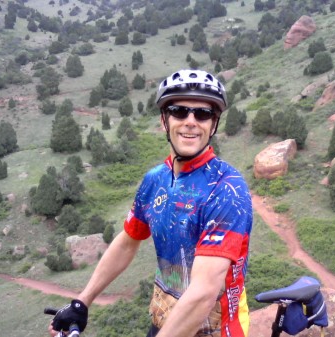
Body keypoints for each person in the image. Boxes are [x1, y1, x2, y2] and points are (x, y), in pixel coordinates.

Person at [49, 69, 253, 337]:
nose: (191, 121)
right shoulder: (154, 180)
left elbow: (204, 292)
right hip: (165, 318)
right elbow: (127, 241)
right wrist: (82, 301)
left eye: (203, 114)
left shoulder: (227, 189)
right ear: (164, 121)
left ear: (213, 125)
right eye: (179, 111)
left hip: (214, 329)